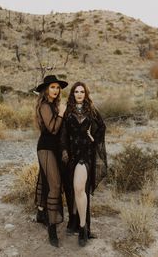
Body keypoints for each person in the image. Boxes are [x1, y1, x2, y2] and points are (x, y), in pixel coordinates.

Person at [60, 81, 107, 247]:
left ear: (86, 94)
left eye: (82, 92)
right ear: (72, 94)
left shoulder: (92, 110)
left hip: (85, 155)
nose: (79, 94)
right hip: (71, 156)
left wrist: (93, 140)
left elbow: (102, 127)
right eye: (76, 92)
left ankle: (82, 228)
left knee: (80, 188)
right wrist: (65, 153)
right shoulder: (68, 111)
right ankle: (78, 224)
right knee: (73, 192)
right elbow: (63, 135)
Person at [34, 75, 68, 247]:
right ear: (46, 89)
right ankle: (52, 229)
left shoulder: (54, 105)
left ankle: (41, 213)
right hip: (46, 147)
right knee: (54, 185)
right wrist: (62, 113)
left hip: (54, 148)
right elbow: (53, 128)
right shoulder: (45, 105)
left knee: (44, 179)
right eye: (52, 87)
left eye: (57, 87)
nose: (55, 90)